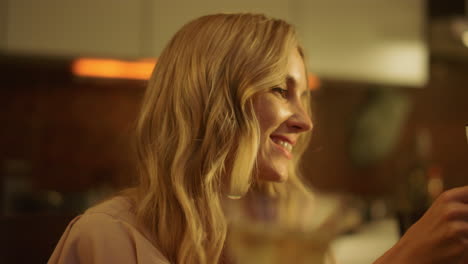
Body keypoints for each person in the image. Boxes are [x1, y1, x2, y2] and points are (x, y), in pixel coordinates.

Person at [49, 13, 468, 264]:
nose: (305, 121)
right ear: (211, 98)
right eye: (280, 90)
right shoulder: (107, 240)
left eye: (304, 97)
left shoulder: (280, 242)